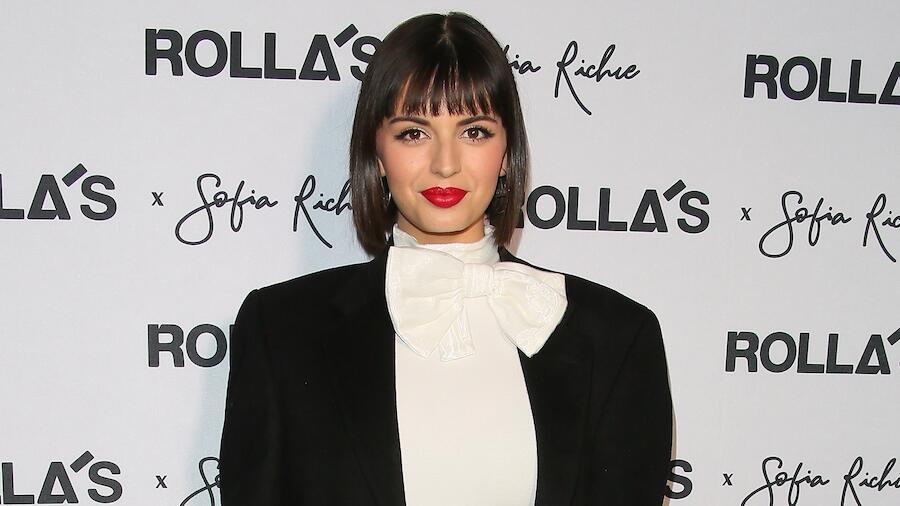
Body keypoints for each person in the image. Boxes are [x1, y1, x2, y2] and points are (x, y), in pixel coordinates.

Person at [218, 11, 672, 506]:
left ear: (507, 152)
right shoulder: (281, 331)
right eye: (414, 133)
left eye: (474, 131)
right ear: (377, 153)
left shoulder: (618, 337)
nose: (445, 164)